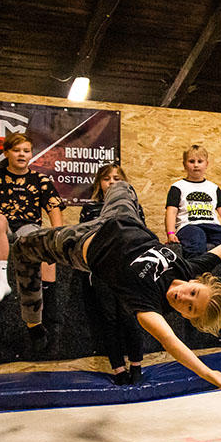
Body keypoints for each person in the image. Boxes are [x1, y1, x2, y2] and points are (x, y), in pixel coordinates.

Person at [13, 180, 221, 394]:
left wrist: (206, 372)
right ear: (196, 282)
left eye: (189, 308)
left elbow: (173, 344)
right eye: (192, 294)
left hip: (79, 244)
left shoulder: (149, 307)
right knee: (122, 185)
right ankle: (117, 193)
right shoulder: (188, 267)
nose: (182, 298)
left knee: (22, 249)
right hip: (121, 218)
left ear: (187, 316)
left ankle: (33, 322)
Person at [0, 131, 64, 306]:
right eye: (16, 150)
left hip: (27, 226)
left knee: (44, 239)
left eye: (26, 151)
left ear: (31, 154)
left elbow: (54, 207)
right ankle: (1, 283)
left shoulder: (40, 179)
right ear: (6, 153)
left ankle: (48, 298)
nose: (21, 154)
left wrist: (57, 234)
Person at [80, 163, 144, 384]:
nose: (112, 183)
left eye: (117, 179)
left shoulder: (132, 207)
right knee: (109, 320)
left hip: (127, 269)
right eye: (107, 179)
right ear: (99, 183)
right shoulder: (91, 208)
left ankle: (136, 365)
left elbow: (140, 234)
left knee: (130, 318)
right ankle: (118, 368)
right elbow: (84, 238)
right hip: (102, 270)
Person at [165, 144, 221, 293]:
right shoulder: (178, 187)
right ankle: (196, 280)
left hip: (212, 225)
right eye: (191, 161)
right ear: (185, 164)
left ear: (206, 164)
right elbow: (171, 211)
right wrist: (171, 233)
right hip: (189, 226)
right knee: (196, 239)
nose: (196, 165)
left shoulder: (213, 188)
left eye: (200, 161)